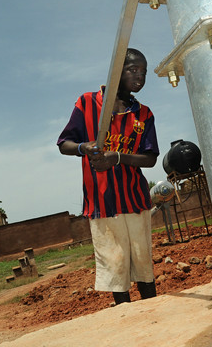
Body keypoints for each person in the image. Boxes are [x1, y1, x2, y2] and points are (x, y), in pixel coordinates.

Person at [56, 48, 159, 305]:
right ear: (116, 72)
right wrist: (84, 148)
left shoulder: (143, 114)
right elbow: (64, 143)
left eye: (143, 72)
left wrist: (118, 158)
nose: (140, 77)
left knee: (143, 262)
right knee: (116, 265)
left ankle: (153, 316)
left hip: (135, 200)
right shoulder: (88, 103)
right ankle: (125, 318)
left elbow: (150, 158)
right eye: (133, 70)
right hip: (102, 202)